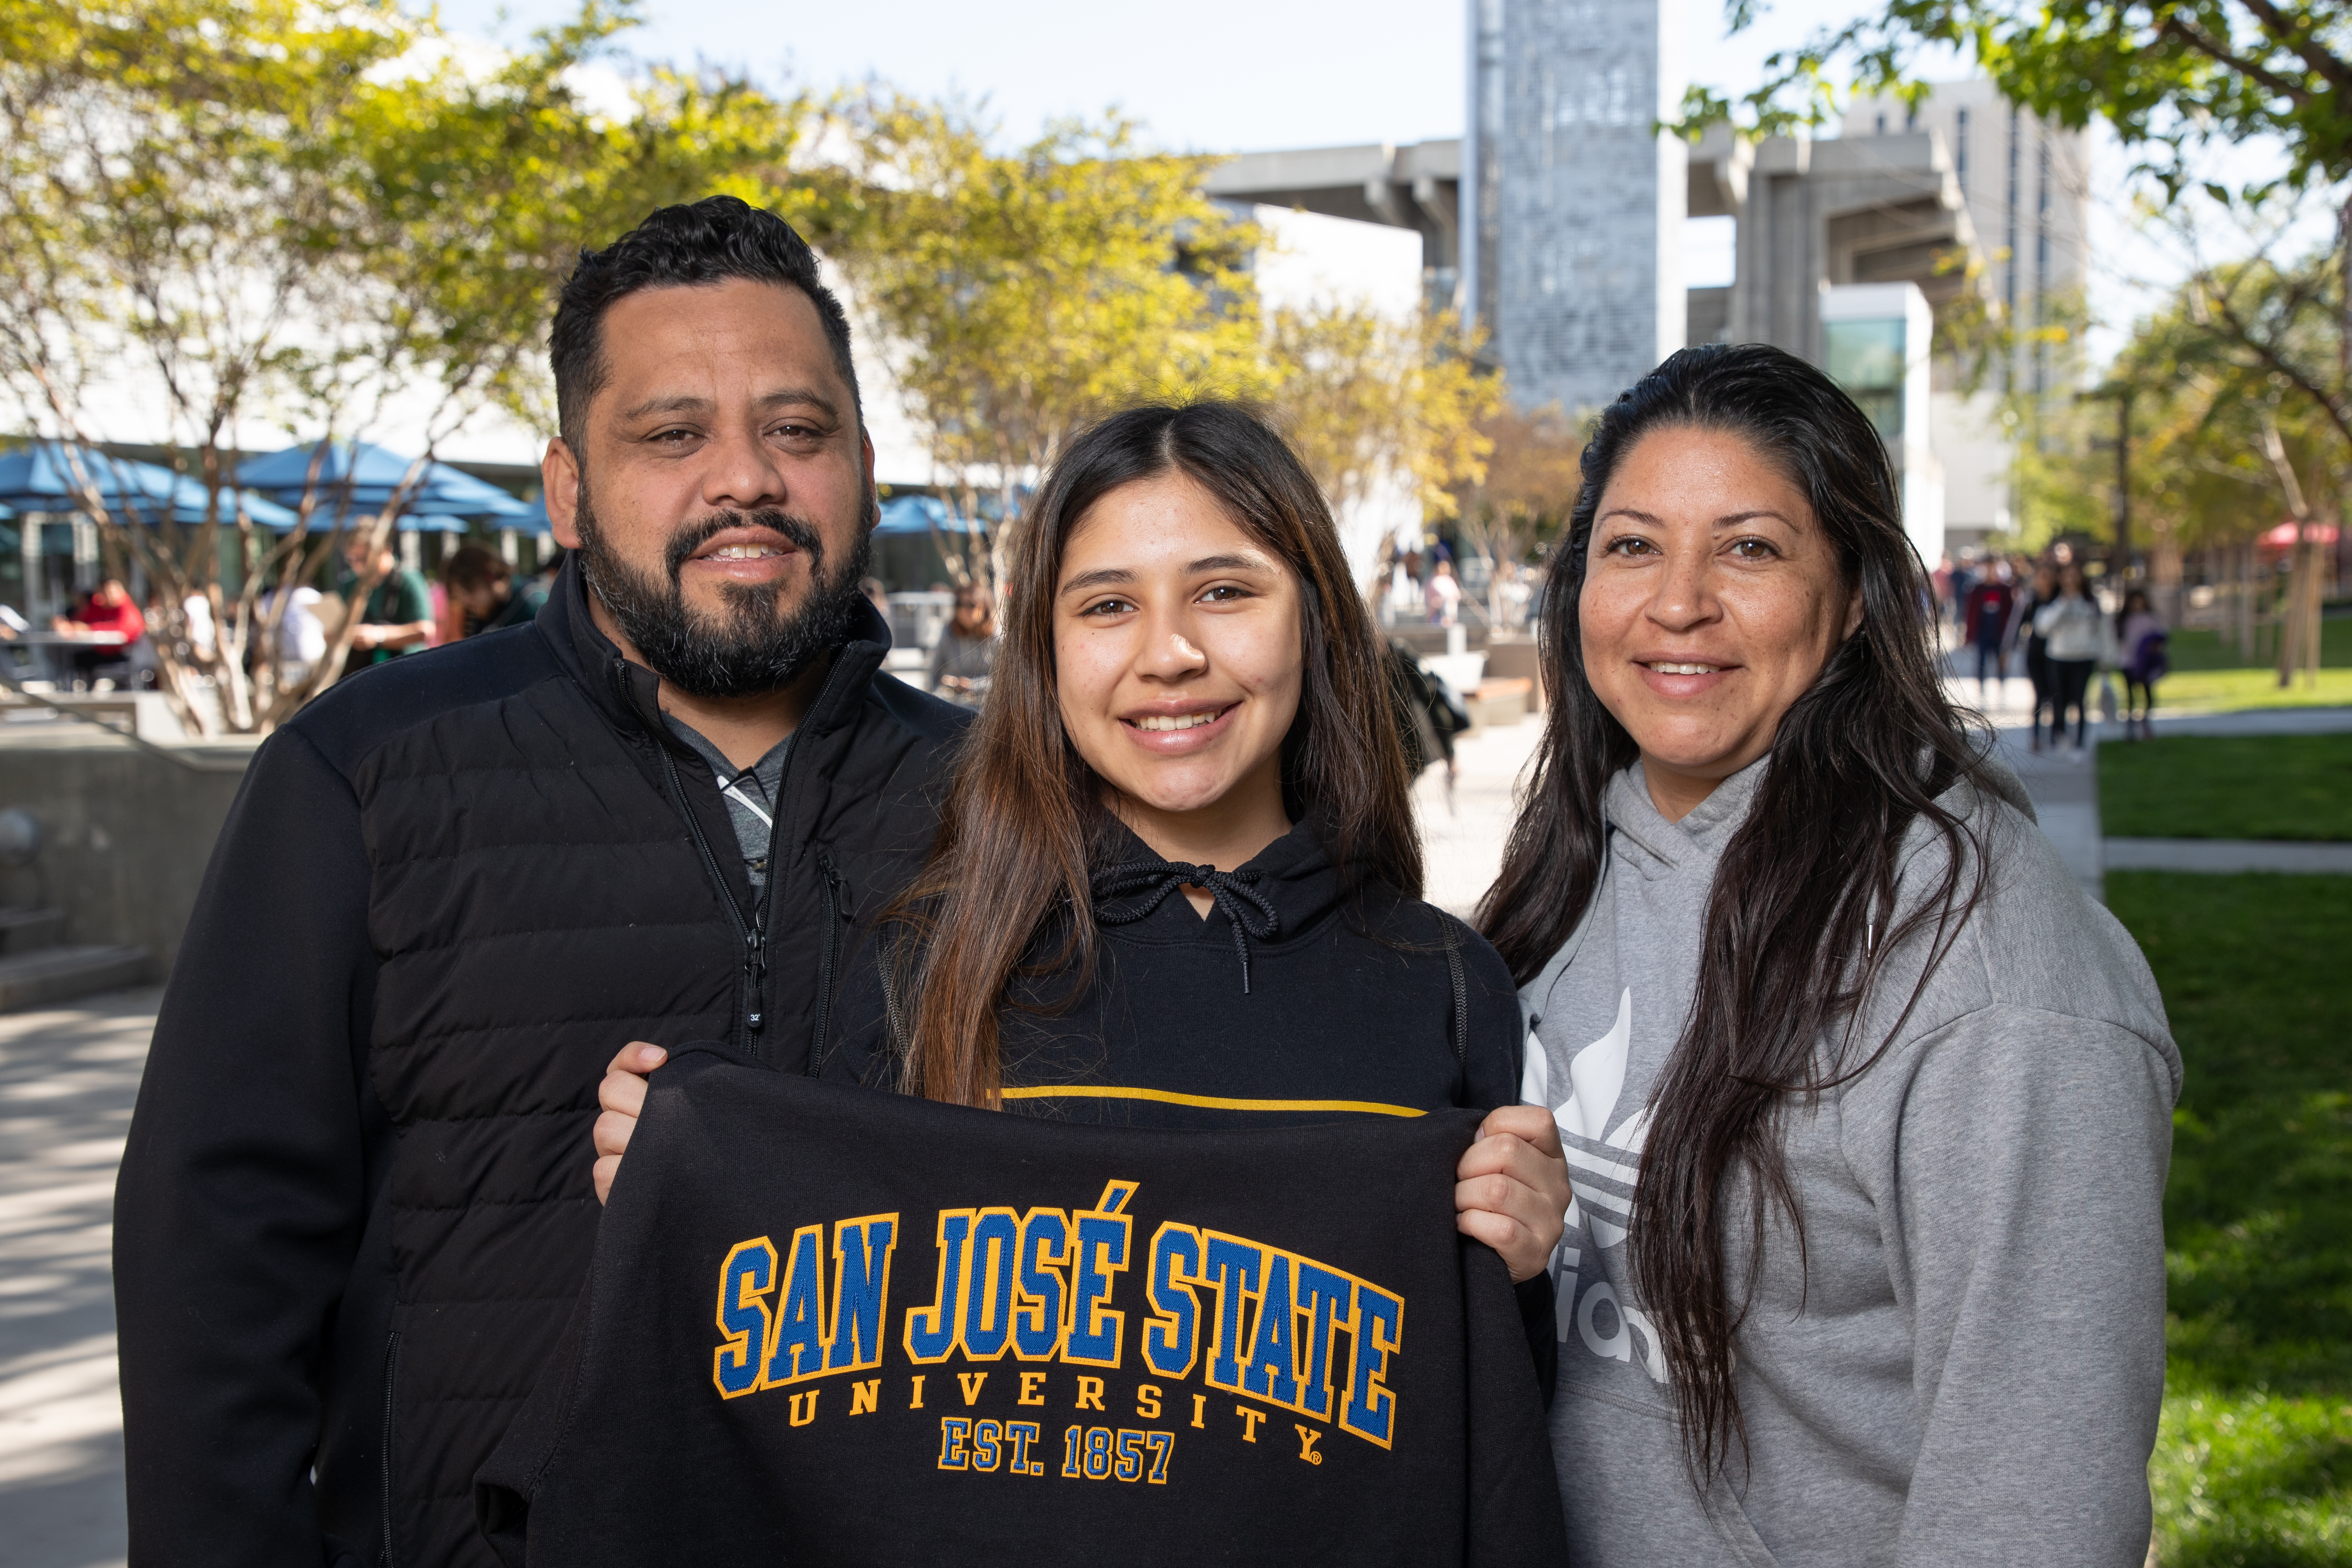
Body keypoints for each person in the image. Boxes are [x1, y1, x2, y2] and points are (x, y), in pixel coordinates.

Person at [113, 195, 965, 1568]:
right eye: (672, 434)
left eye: (795, 432)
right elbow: (216, 1265)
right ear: (568, 490)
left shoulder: (1006, 799)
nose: (743, 478)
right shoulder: (366, 774)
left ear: (861, 465)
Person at [592, 400, 1569, 1366]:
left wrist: (1513, 1274)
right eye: (1107, 606)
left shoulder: (1446, 985)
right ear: (1046, 653)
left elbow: (1479, 1421)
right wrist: (698, 1184)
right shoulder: (928, 961)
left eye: (1224, 592)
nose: (1169, 654)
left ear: (1313, 619)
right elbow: (822, 1361)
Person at [1478, 343, 2177, 1564]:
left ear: (1853, 598)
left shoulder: (1992, 978)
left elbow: (2036, 1504)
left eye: (1749, 548)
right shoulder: (1574, 860)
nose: (1678, 601)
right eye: (1633, 545)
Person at [338, 532, 435, 671]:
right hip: (362, 672)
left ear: (386, 550)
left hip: (406, 668)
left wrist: (378, 635)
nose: (358, 566)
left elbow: (426, 630)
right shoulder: (350, 584)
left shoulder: (408, 580)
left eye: (364, 559)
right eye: (353, 560)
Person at [2035, 560, 2103, 754]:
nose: (2071, 579)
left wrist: (2105, 656)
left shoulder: (2090, 602)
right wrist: (2063, 604)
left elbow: (2101, 631)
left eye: (2075, 574)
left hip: (2084, 658)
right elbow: (2042, 629)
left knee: (2080, 700)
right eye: (2067, 575)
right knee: (2059, 700)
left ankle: (2080, 743)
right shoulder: (2053, 601)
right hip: (2058, 657)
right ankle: (2059, 736)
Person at [441, 543, 548, 636]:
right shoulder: (482, 617)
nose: (464, 602)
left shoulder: (533, 602)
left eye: (466, 592)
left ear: (489, 576)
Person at [925, 580, 996, 706]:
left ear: (985, 606)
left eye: (972, 605)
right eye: (960, 604)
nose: (965, 610)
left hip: (990, 706)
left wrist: (972, 685)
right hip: (954, 705)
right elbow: (933, 676)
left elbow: (1006, 681)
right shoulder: (948, 635)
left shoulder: (997, 637)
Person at [2015, 558, 2059, 752]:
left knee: (2056, 694)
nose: (2044, 581)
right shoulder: (2031, 601)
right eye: (2041, 577)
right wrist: (2008, 651)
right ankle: (2036, 736)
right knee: (2040, 695)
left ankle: (2056, 734)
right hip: (2035, 654)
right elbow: (2018, 627)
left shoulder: (2060, 600)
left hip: (2057, 654)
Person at [2115, 587, 2168, 741]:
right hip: (2128, 663)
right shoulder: (2124, 620)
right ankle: (2130, 728)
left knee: (2148, 696)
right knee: (2130, 696)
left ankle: (2145, 724)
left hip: (2145, 664)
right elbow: (2118, 641)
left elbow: (2162, 637)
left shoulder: (2152, 619)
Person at [1961, 556, 2014, 704]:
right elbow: (1970, 613)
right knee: (1981, 665)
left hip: (2000, 635)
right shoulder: (1977, 590)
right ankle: (1982, 696)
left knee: (2001, 666)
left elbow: (2010, 615)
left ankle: (2002, 695)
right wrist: (1968, 635)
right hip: (1983, 634)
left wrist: (2010, 638)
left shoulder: (2004, 590)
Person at [1426, 554, 1462, 625]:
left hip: (1450, 603)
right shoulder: (1434, 580)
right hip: (1437, 609)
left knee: (1450, 602)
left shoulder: (1449, 580)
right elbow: (1437, 592)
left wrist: (1452, 597)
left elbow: (1457, 594)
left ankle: (1451, 619)